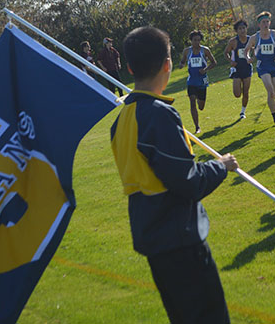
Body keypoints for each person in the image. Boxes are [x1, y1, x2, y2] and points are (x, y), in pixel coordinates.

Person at [111, 26, 238, 324]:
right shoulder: (157, 114)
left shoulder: (121, 121)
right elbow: (188, 182)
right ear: (168, 65)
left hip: (155, 240)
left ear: (129, 68)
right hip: (179, 243)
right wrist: (221, 166)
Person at [244, 11, 275, 126]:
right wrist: (248, 58)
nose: (266, 24)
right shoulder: (254, 37)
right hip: (263, 67)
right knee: (270, 91)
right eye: (263, 22)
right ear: (259, 24)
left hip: (274, 65)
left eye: (267, 21)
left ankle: (273, 109)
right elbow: (246, 50)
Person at [179, 30, 217, 134]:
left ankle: (198, 99)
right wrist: (181, 64)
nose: (197, 42)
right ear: (191, 40)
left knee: (201, 106)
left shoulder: (205, 50)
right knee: (192, 102)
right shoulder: (187, 51)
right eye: (195, 40)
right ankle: (197, 127)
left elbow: (214, 63)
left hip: (202, 81)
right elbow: (182, 61)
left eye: (199, 40)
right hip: (191, 81)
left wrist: (205, 69)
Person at [224, 20, 252, 119]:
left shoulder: (251, 40)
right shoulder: (233, 41)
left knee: (246, 91)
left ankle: (242, 112)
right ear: (237, 31)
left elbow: (257, 49)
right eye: (240, 29)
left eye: (244, 28)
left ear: (246, 29)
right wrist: (230, 61)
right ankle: (238, 84)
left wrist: (253, 58)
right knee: (237, 94)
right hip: (237, 69)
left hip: (247, 68)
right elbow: (226, 52)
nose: (242, 30)